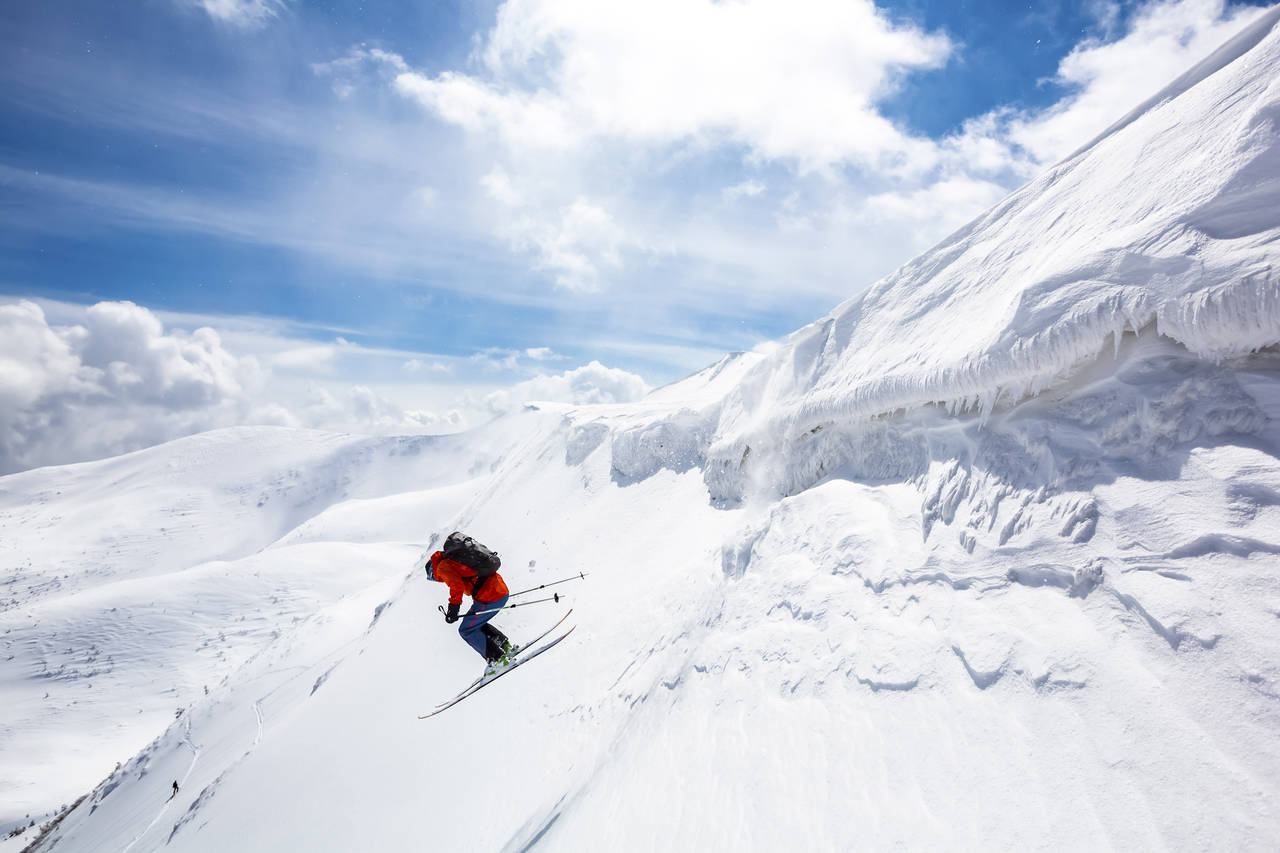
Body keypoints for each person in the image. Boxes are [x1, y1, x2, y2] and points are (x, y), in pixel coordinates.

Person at [426, 548, 517, 676]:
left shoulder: (442, 567)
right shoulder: (452, 559)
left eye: (432, 578)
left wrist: (453, 610)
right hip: (499, 590)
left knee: (466, 630)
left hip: (489, 596)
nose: (436, 580)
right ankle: (506, 648)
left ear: (432, 571)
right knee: (475, 624)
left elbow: (456, 585)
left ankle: (497, 659)